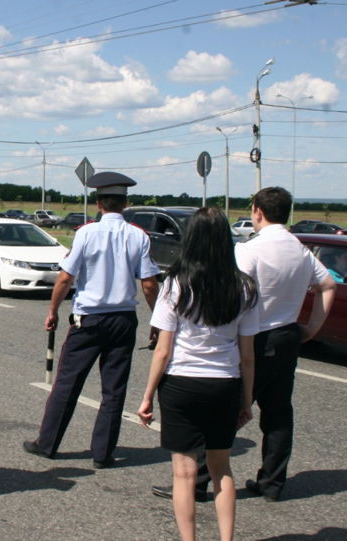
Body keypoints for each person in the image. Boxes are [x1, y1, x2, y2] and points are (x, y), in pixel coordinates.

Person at [151, 187, 336, 504]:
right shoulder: (301, 250)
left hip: (254, 338)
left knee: (225, 414)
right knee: (278, 413)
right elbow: (328, 285)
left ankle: (195, 483)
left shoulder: (250, 250)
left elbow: (232, 292)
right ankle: (272, 482)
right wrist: (309, 329)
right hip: (288, 336)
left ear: (257, 212)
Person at [138, 207, 259, 541]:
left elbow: (163, 350)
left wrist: (147, 396)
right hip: (225, 383)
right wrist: (246, 399)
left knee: (184, 474)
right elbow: (247, 355)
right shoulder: (245, 287)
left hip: (181, 384)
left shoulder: (176, 283)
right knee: (222, 469)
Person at [23, 172, 159, 468]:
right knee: (114, 390)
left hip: (89, 320)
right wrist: (158, 322)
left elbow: (64, 278)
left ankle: (47, 444)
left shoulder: (85, 233)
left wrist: (53, 311)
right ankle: (102, 454)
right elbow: (149, 284)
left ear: (98, 203)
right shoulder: (139, 235)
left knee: (67, 383)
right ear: (125, 203)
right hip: (123, 320)